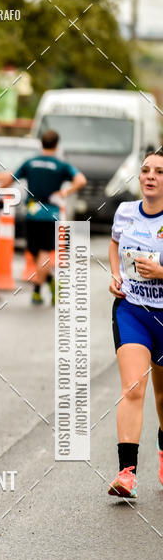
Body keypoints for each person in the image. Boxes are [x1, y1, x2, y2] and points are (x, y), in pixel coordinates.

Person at [108, 149, 163, 499]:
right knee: (133, 388)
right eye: (145, 170)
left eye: (159, 171)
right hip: (132, 310)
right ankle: (126, 473)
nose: (150, 176)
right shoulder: (125, 212)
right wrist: (115, 274)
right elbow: (114, 244)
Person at [0, 130, 86, 305]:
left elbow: (11, 178)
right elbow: (81, 180)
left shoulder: (30, 162)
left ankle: (38, 290)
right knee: (44, 253)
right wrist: (65, 191)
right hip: (50, 213)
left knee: (34, 251)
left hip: (32, 212)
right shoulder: (61, 165)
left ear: (41, 143)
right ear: (57, 145)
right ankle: (46, 283)